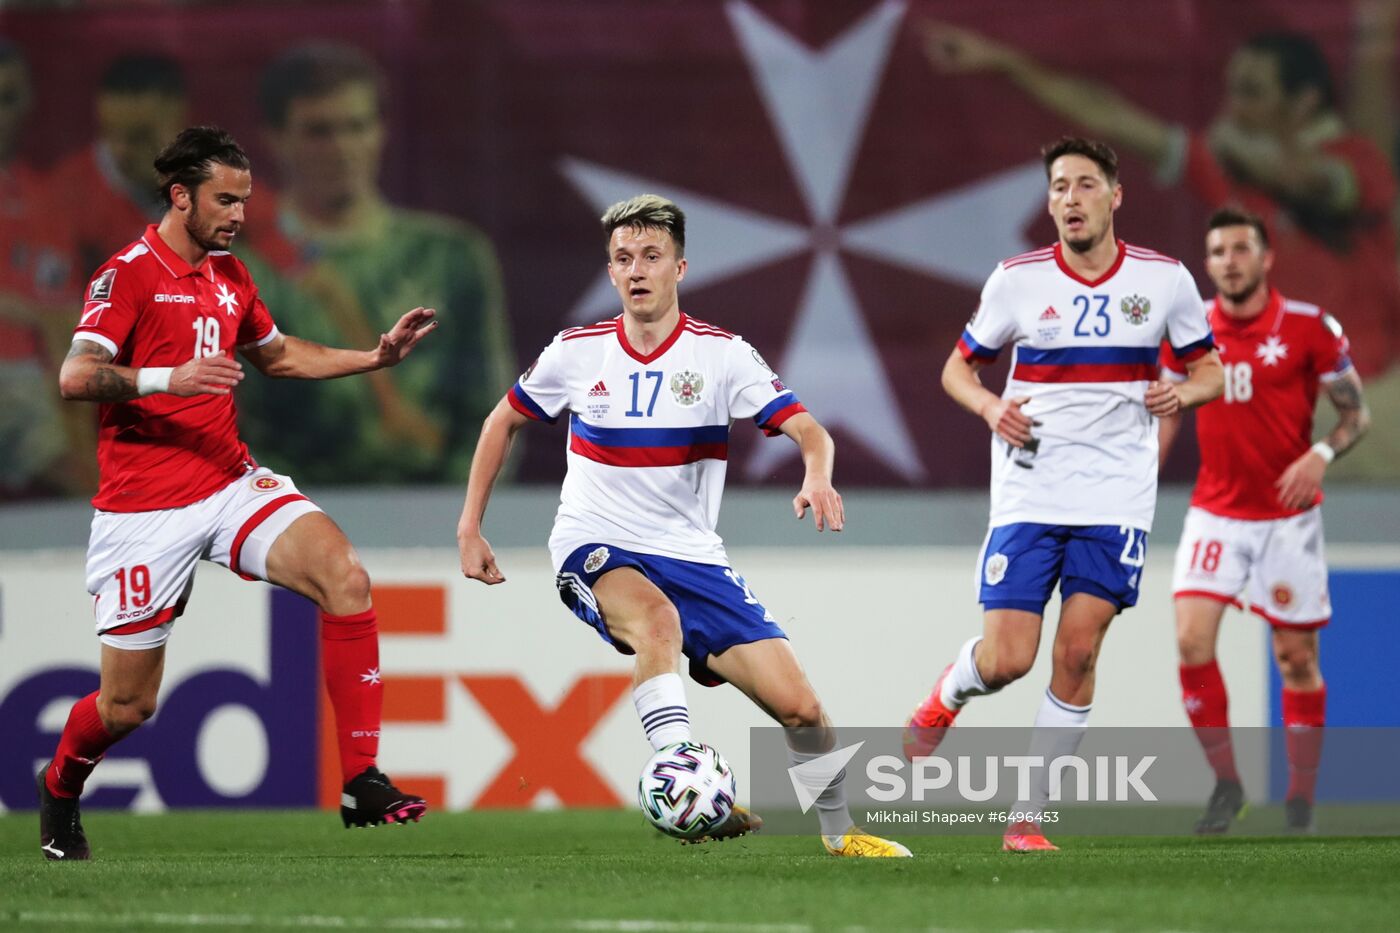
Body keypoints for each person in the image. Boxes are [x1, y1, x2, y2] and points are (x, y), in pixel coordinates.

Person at [456, 194, 909, 858]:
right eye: (622, 259)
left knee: (802, 709)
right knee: (658, 621)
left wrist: (816, 472)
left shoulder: (722, 357)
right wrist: (470, 525)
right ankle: (683, 779)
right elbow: (503, 420)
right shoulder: (576, 353)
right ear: (610, 273)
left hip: (693, 556)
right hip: (594, 543)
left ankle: (841, 834)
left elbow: (808, 428)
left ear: (680, 267)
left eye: (650, 256)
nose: (636, 270)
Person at [36, 126, 433, 861]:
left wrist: (372, 358)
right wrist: (168, 379)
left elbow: (278, 354)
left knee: (345, 575)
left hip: (227, 481)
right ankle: (59, 786)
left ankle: (360, 779)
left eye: (245, 199)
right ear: (181, 195)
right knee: (128, 705)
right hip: (142, 510)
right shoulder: (126, 275)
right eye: (226, 198)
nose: (240, 213)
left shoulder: (229, 274)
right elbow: (74, 376)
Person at [903, 138, 1223, 852]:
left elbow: (1211, 371)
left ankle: (1028, 817)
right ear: (1048, 202)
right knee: (1009, 658)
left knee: (1078, 652)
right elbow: (959, 370)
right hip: (1029, 490)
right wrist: (991, 409)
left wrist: (1182, 390)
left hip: (1116, 496)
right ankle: (948, 694)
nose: (1070, 198)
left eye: (1084, 184)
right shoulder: (1016, 279)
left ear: (1115, 196)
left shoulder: (1166, 279)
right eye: (1058, 187)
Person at [921, 23, 1400, 381]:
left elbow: (1309, 181)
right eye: (1231, 90)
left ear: (1305, 102)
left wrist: (1237, 150)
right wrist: (1006, 62)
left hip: (1362, 389)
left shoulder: (1358, 163)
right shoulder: (1225, 163)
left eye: (1252, 92)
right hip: (1274, 392)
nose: (1233, 107)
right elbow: (1108, 114)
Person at [1160, 208, 1369, 834]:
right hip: (1215, 512)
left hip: (1288, 518)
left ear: (1266, 257)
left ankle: (1301, 800)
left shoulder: (1310, 328)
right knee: (1192, 641)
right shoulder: (1189, 325)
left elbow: (1356, 415)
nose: (1228, 259)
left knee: (1295, 659)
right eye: (1217, 250)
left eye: (1240, 248)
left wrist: (1321, 452)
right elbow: (1169, 410)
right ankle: (1227, 785)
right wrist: (1143, 476)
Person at [235, 42, 513, 484]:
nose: (342, 147)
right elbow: (236, 427)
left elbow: (495, 412)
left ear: (381, 130)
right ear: (276, 137)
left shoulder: (452, 255)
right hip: (288, 517)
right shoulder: (239, 272)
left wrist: (462, 515)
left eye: (356, 126)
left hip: (438, 512)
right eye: (319, 130)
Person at [0, 39, 84, 496]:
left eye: (8, 99)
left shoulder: (44, 200)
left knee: (84, 471)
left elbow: (62, 317)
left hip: (24, 384)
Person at [49, 53, 188, 277]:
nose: (121, 152)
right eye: (111, 134)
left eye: (139, 136)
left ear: (179, 119)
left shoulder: (220, 187)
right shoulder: (68, 194)